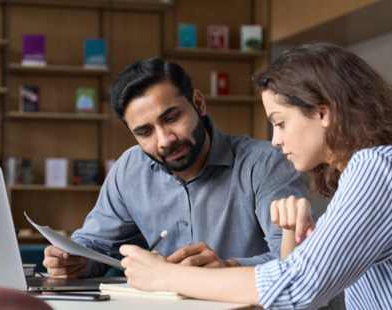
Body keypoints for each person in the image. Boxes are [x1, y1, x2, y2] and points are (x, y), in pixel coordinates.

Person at [119, 43, 392, 309]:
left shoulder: (376, 168)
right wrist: (290, 233)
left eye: (280, 123)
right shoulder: (367, 171)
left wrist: (166, 276)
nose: (275, 140)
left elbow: (298, 287)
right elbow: (306, 294)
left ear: (323, 112)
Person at [43, 58, 312, 279]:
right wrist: (70, 261)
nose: (165, 140)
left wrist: (228, 267)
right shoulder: (129, 169)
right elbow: (95, 247)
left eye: (172, 118)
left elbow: (298, 262)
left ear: (198, 103)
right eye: (145, 132)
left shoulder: (265, 163)